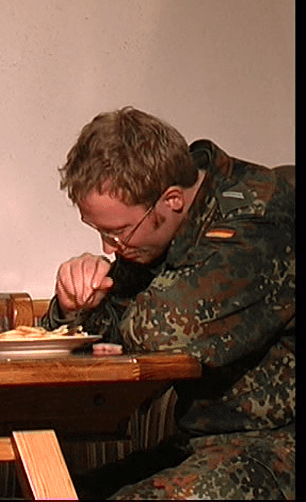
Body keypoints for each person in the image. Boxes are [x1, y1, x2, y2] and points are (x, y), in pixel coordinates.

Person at [40, 107, 295, 500]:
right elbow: (103, 333)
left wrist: (116, 317)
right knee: (56, 494)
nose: (109, 248)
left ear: (172, 200)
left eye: (117, 232)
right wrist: (76, 304)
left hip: (277, 445)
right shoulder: (151, 230)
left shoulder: (259, 216)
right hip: (205, 445)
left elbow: (160, 330)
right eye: (100, 232)